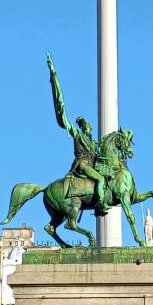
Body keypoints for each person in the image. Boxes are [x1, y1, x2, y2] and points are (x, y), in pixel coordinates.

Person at [48, 55, 108, 213]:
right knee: (100, 179)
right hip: (82, 165)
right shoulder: (77, 135)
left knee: (107, 178)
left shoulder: (93, 142)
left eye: (88, 125)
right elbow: (64, 119)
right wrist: (54, 78)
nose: (88, 127)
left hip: (92, 166)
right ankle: (100, 205)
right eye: (85, 125)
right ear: (82, 127)